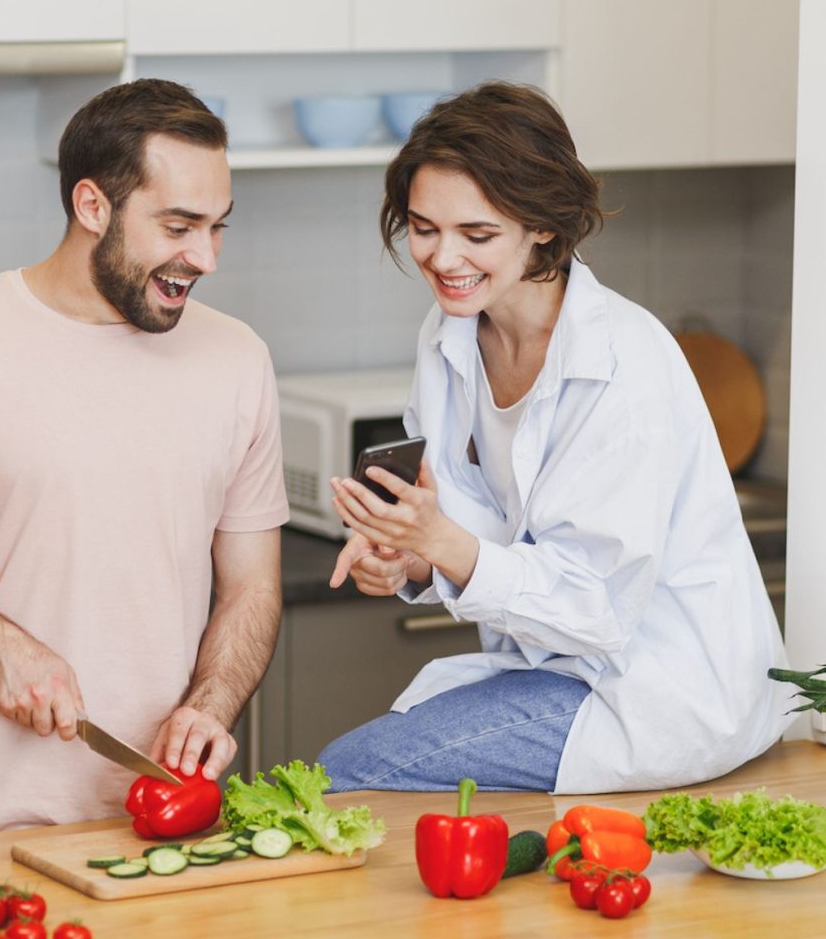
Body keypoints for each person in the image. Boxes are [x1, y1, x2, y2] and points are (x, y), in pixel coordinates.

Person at [0, 78, 289, 840]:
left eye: (217, 227)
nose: (205, 257)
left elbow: (252, 588)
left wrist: (212, 703)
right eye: (178, 225)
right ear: (92, 206)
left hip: (161, 823)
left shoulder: (237, 359)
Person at [317, 81, 789, 795]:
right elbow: (465, 517)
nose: (444, 259)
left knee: (348, 773)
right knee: (364, 775)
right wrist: (404, 556)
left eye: (476, 235)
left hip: (655, 687)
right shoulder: (449, 333)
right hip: (555, 672)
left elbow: (593, 606)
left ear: (542, 225)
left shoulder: (621, 362)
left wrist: (438, 542)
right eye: (423, 227)